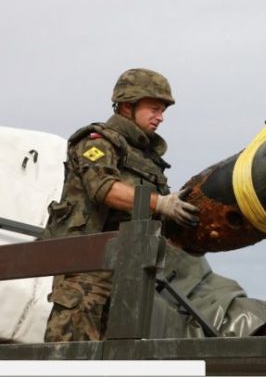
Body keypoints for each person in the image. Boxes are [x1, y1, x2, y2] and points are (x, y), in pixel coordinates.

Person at [43, 68, 200, 342]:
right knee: (70, 359)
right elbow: (103, 188)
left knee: (117, 360)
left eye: (163, 110)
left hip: (128, 274)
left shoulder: (147, 158)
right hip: (86, 271)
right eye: (154, 108)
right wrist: (160, 203)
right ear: (128, 106)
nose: (160, 117)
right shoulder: (97, 142)